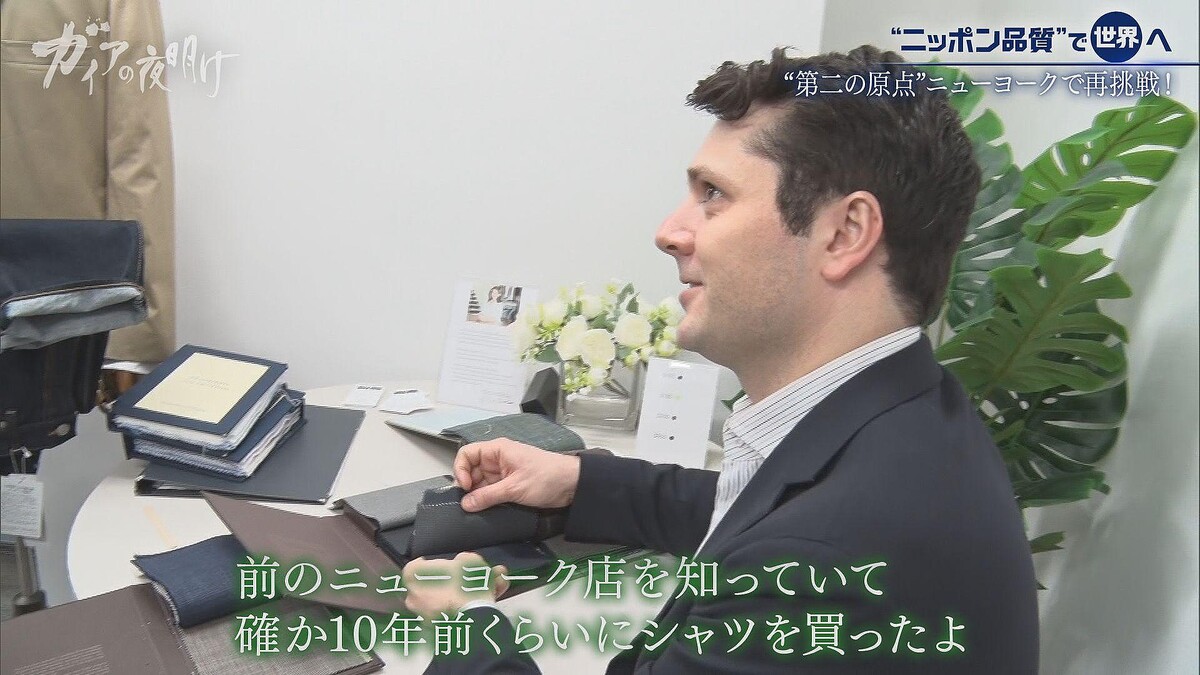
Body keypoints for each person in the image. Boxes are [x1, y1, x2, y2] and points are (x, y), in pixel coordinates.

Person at [403, 45, 1039, 673]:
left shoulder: (818, 564)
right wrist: (578, 482)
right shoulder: (910, 416)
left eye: (713, 194)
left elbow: (794, 538)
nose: (670, 232)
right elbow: (760, 502)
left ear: (844, 233)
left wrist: (464, 622)